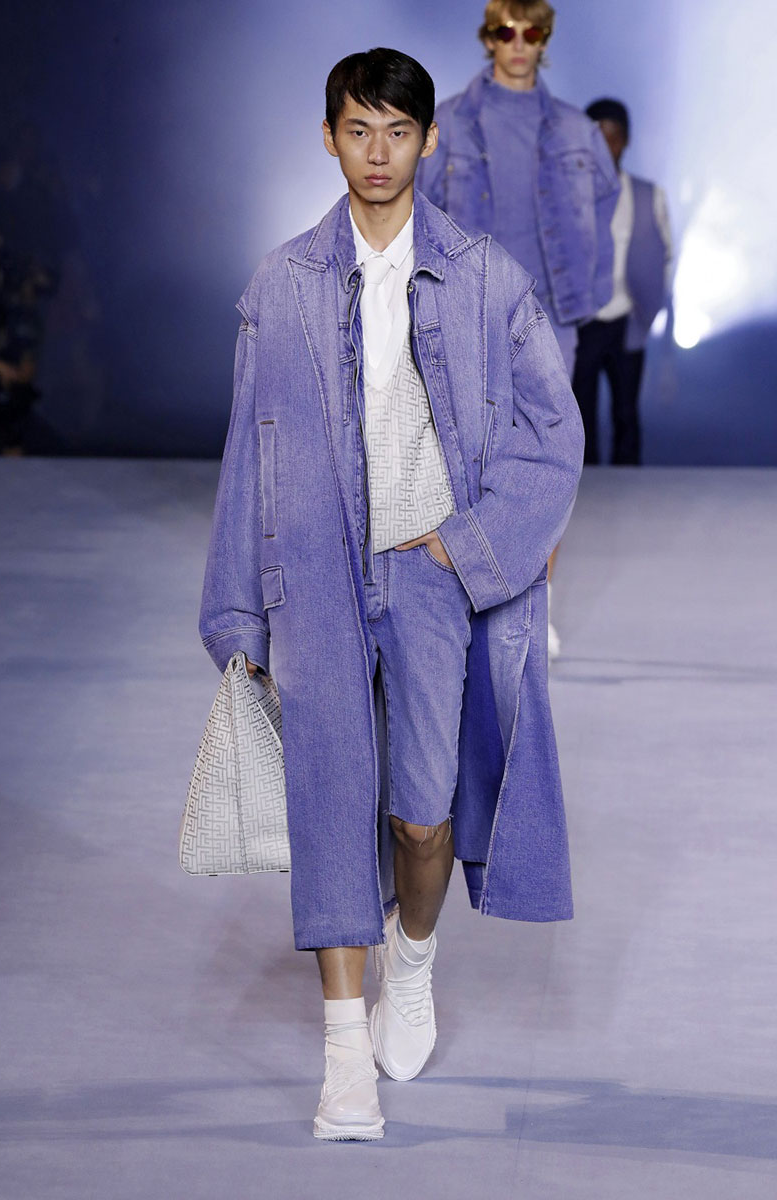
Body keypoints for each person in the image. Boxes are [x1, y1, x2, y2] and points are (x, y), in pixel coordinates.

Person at [199, 47, 583, 1142]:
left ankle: (411, 960)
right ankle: (342, 1063)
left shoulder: (484, 278)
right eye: (358, 130)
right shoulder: (280, 284)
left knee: (421, 814)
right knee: (330, 802)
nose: (378, 153)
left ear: (427, 140)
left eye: (398, 132)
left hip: (428, 576)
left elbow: (553, 436)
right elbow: (249, 449)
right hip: (317, 574)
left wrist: (467, 549)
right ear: (328, 138)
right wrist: (238, 610)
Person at [415, 0, 618, 378]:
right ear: (489, 39)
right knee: (474, 420)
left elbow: (605, 201)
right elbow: (419, 209)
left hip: (552, 314)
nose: (519, 44)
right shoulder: (450, 122)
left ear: (544, 41)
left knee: (548, 419)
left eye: (532, 33)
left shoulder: (576, 128)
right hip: (468, 311)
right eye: (507, 32)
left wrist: (592, 290)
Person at [572, 99, 672, 465]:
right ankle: (584, 484)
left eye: (613, 137)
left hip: (629, 316)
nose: (606, 145)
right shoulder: (568, 195)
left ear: (626, 140)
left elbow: (664, 255)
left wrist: (651, 307)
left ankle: (628, 483)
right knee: (579, 410)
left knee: (626, 410)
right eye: (597, 137)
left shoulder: (648, 195)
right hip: (582, 320)